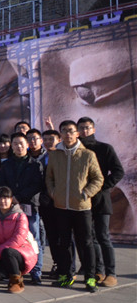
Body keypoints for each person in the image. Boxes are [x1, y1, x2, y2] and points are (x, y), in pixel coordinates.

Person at [45, 120, 103, 292]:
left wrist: (86, 193)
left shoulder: (88, 155)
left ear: (77, 133)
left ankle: (90, 277)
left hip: (82, 207)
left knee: (86, 243)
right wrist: (53, 192)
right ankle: (65, 275)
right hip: (61, 207)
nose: (68, 134)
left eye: (71, 131)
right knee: (64, 243)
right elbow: (49, 177)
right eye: (64, 131)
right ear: (60, 134)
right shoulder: (55, 155)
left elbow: (98, 178)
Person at [78, 117, 124, 288]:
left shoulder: (105, 148)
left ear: (93, 129)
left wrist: (103, 187)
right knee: (89, 238)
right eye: (81, 128)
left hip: (101, 199)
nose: (84, 131)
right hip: (82, 201)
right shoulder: (77, 150)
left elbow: (118, 171)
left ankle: (111, 273)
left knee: (103, 236)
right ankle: (99, 270)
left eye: (87, 128)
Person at [0, 132, 44, 284]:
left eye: (21, 143)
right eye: (15, 143)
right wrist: (11, 198)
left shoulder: (35, 164)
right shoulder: (6, 165)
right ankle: (16, 269)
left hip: (29, 205)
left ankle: (36, 271)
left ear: (27, 145)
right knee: (13, 239)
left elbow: (36, 185)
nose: (18, 146)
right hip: (10, 208)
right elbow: (1, 184)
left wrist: (20, 197)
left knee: (33, 238)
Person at [0, 186, 38, 293]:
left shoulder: (20, 216)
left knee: (8, 252)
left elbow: (17, 239)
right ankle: (8, 273)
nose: (2, 201)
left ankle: (16, 281)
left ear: (11, 199)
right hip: (1, 254)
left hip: (21, 252)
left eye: (6, 198)